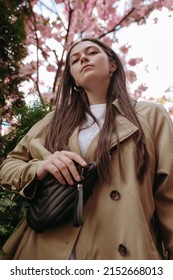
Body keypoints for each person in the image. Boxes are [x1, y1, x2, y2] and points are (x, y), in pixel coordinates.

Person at [0, 37, 173, 260]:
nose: (83, 58)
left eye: (92, 53)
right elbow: (8, 167)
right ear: (74, 80)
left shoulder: (150, 115)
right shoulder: (55, 120)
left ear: (112, 65)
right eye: (75, 59)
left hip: (123, 254)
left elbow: (168, 193)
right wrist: (41, 167)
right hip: (46, 252)